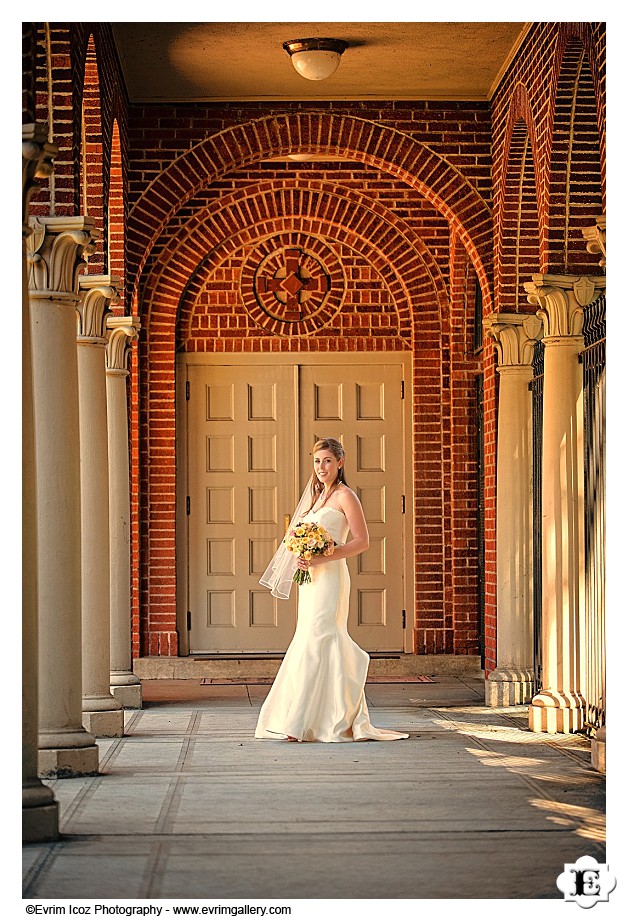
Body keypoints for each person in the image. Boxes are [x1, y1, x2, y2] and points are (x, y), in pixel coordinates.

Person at [255, 438, 409, 743]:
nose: (321, 467)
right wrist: (302, 556)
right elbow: (302, 537)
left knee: (324, 636)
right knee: (309, 638)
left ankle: (306, 721)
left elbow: (362, 541)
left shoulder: (345, 496)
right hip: (311, 579)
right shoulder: (315, 498)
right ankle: (310, 718)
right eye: (316, 461)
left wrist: (325, 555)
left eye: (327, 461)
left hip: (332, 578)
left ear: (340, 462)